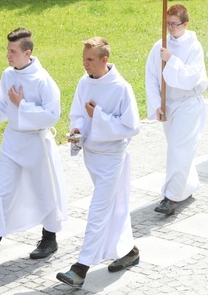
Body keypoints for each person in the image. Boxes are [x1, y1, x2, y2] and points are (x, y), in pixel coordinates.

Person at [0, 28, 66, 267]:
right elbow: (2, 106)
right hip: (12, 141)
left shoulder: (43, 80)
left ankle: (49, 239)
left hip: (36, 143)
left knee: (44, 191)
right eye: (8, 50)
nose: (8, 55)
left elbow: (52, 116)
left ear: (27, 53)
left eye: (12, 51)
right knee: (3, 193)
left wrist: (23, 105)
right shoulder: (8, 75)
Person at [57, 37, 141, 288]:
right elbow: (79, 115)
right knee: (115, 206)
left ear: (104, 60)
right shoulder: (84, 83)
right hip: (91, 154)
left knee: (98, 209)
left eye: (89, 59)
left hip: (112, 157)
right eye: (83, 58)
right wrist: (77, 129)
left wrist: (100, 116)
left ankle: (80, 269)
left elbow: (131, 127)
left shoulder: (121, 88)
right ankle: (129, 251)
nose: (84, 64)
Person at [145, 4, 208, 216]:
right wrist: (157, 105)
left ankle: (170, 198)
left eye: (175, 24)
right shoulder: (159, 46)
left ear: (185, 24)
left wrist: (171, 60)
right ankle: (187, 186)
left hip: (188, 104)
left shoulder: (193, 47)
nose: (171, 28)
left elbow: (190, 78)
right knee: (178, 148)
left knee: (178, 150)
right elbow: (152, 77)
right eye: (168, 24)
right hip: (169, 103)